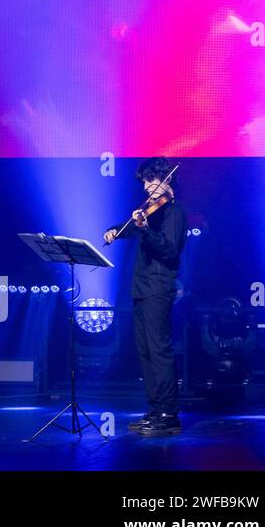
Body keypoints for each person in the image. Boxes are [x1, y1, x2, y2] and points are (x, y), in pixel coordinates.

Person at [103, 158, 187, 436]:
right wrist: (116, 230)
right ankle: (155, 408)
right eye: (145, 181)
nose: (148, 186)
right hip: (141, 287)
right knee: (145, 351)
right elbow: (131, 227)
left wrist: (145, 229)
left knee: (160, 350)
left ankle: (168, 413)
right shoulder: (149, 212)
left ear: (168, 180)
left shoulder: (174, 212)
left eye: (154, 180)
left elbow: (169, 250)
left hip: (159, 288)